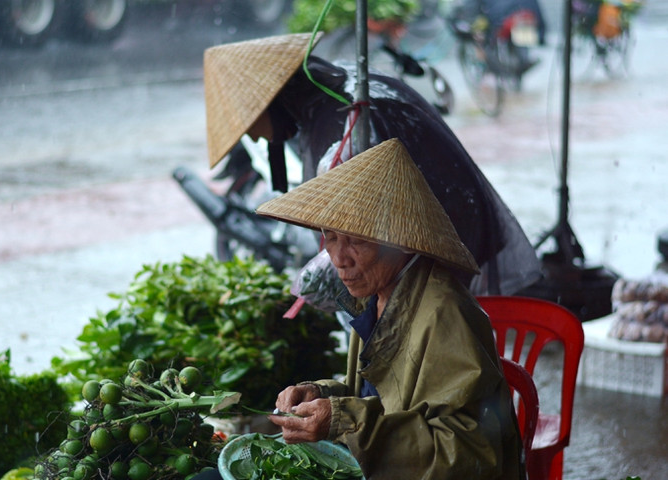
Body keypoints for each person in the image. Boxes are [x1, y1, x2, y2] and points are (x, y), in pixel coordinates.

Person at [183, 138, 528, 480]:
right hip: (367, 477)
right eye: (331, 237)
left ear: (398, 239)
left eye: (356, 240)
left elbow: (466, 454)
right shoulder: (377, 297)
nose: (339, 258)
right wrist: (320, 396)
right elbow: (373, 396)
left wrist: (344, 421)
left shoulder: (445, 313)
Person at [202, 33, 541, 297]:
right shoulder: (332, 92)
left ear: (270, 104)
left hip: (439, 253)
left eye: (251, 127)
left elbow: (369, 231)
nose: (257, 140)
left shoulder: (346, 122)